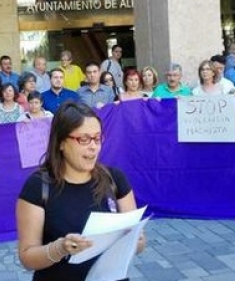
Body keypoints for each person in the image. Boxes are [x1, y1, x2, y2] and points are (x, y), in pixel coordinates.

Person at [16, 102, 146, 280]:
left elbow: (138, 243)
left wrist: (136, 241)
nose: (93, 146)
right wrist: (60, 248)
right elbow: (27, 257)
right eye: (84, 139)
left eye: (97, 138)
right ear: (61, 142)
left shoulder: (115, 179)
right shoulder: (38, 186)